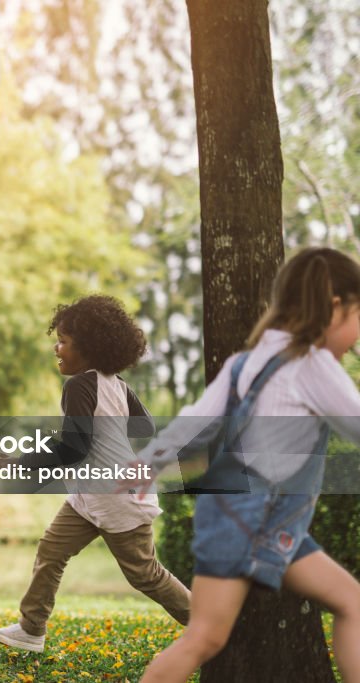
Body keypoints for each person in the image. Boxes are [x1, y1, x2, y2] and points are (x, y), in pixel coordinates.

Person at [131, 248, 360, 682]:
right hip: (249, 522)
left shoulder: (243, 364)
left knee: (352, 602)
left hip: (261, 523)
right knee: (204, 638)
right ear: (334, 307)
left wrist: (148, 460)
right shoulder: (311, 365)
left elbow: (194, 420)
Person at [0, 295, 191, 652]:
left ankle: (212, 625)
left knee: (145, 574)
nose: (57, 347)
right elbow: (143, 426)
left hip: (116, 496)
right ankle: (31, 629)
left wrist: (17, 464)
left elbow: (73, 448)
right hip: (90, 496)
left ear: (90, 348)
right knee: (51, 550)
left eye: (64, 341)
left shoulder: (80, 385)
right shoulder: (116, 384)